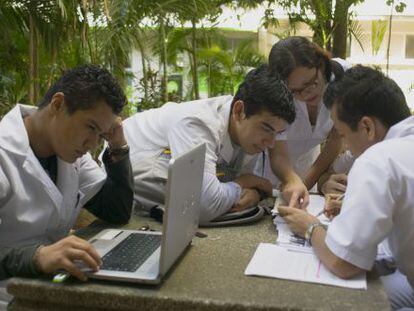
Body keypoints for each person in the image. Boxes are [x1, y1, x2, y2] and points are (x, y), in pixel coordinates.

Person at [278, 65, 414, 310]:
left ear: (367, 127)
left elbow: (344, 263)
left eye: (343, 134)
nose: (348, 148)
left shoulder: (378, 159)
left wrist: (310, 227)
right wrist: (357, 206)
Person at [0, 65, 133, 307]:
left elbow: (117, 210)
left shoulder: (71, 155)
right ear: (58, 104)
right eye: (91, 128)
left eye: (101, 135)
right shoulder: (4, 155)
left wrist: (117, 147)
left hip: (55, 290)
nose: (92, 144)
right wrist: (38, 256)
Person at [123, 66, 296, 224]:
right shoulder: (198, 123)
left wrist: (256, 192)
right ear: (238, 111)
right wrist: (248, 181)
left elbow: (234, 189)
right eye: (266, 129)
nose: (271, 142)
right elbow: (204, 206)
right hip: (125, 186)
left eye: (277, 133)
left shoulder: (249, 133)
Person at [257, 36, 351, 208]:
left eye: (311, 83)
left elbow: (336, 140)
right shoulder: (276, 95)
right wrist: (292, 181)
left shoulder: (342, 77)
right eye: (296, 91)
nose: (306, 94)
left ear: (321, 65)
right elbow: (277, 153)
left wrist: (305, 184)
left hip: (312, 162)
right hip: (277, 168)